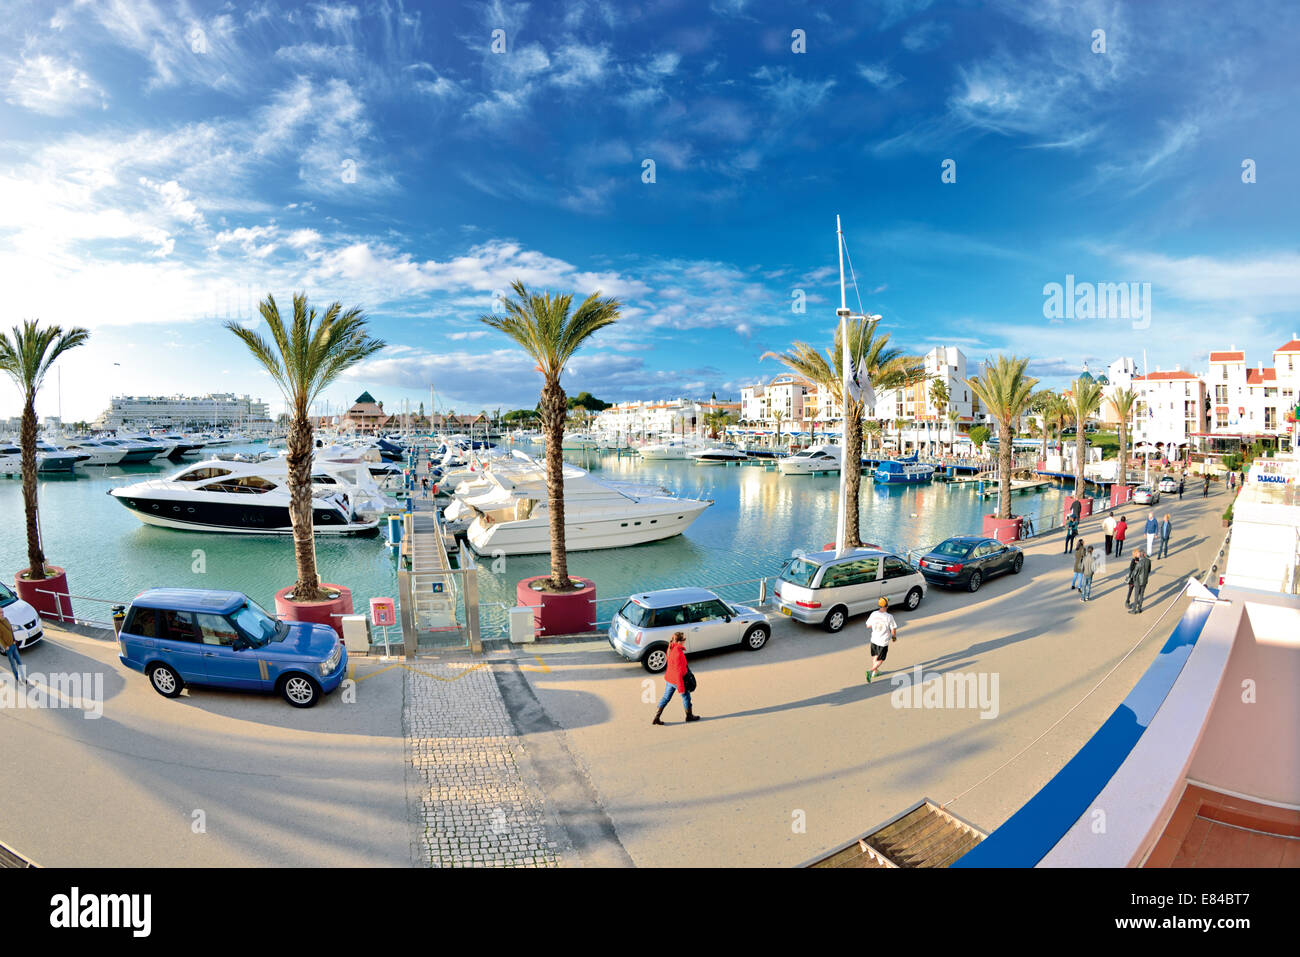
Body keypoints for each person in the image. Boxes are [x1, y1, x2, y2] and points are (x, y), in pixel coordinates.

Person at [652, 631, 698, 725]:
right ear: (679, 641)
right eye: (684, 640)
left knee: (665, 698)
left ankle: (656, 717)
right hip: (678, 680)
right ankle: (689, 716)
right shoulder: (679, 653)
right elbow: (679, 672)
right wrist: (681, 688)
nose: (684, 642)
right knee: (686, 698)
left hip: (669, 678)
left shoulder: (670, 648)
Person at [864, 597, 897, 684]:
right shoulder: (889, 617)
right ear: (887, 606)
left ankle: (875, 672)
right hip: (883, 641)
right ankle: (871, 671)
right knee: (881, 659)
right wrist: (894, 637)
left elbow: (868, 625)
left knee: (875, 655)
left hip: (874, 639)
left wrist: (876, 624)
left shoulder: (874, 613)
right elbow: (893, 629)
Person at [0, 610, 31, 687]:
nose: (2, 613)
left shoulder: (6, 619)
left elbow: (11, 631)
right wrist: (5, 646)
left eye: (2, 612)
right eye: (0, 612)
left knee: (19, 662)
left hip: (13, 645)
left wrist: (14, 640)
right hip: (8, 647)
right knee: (13, 664)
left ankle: (23, 678)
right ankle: (17, 678)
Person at [1129, 548, 1153, 614]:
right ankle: (1139, 608)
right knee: (1142, 595)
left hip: (1138, 582)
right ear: (1144, 554)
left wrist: (1133, 579)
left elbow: (1134, 573)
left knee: (1136, 596)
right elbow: (1149, 570)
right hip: (1144, 581)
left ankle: (1134, 610)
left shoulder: (1139, 563)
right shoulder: (1149, 561)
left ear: (1140, 555)